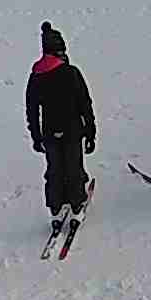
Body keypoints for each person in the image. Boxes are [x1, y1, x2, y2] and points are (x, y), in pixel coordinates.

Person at [25, 22, 96, 225]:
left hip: (49, 132)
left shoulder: (36, 76)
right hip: (72, 131)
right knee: (73, 167)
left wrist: (36, 136)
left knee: (54, 170)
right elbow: (85, 104)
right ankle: (76, 205)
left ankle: (56, 208)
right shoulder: (71, 73)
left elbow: (32, 110)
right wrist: (90, 132)